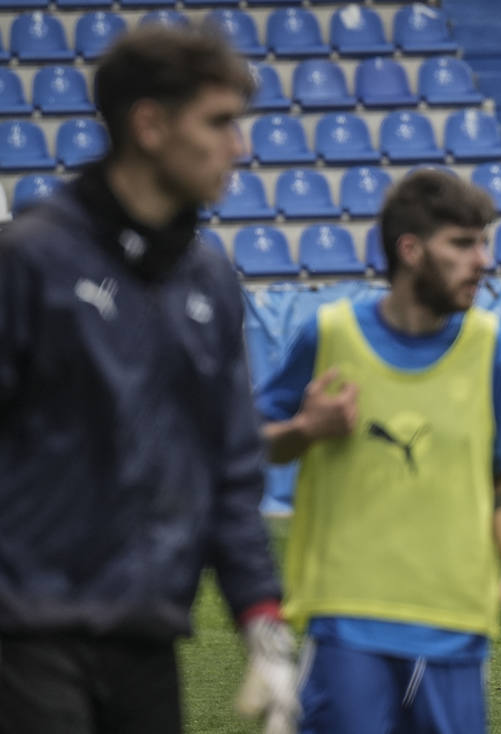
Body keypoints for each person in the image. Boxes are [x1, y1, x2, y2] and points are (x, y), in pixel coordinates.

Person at [0, 27, 295, 733]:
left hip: (148, 631)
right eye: (220, 122)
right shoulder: (30, 261)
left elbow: (230, 461)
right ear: (150, 125)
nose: (240, 147)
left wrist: (261, 616)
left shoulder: (213, 280)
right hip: (25, 632)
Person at [258, 171, 501, 732]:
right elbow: (249, 443)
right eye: (463, 244)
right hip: (350, 620)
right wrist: (304, 429)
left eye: (483, 242)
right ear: (411, 250)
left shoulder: (490, 344)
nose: (483, 260)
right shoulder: (330, 335)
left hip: (458, 619)